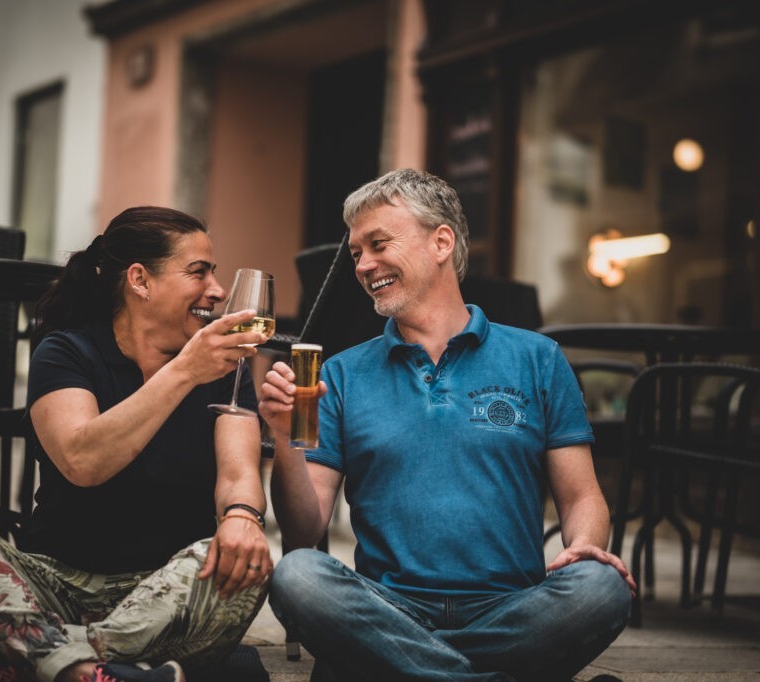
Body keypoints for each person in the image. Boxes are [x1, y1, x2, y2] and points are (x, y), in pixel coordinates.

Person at [259, 169, 636, 681]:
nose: (365, 265)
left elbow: (582, 497)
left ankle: (403, 669)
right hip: (388, 608)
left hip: (510, 609)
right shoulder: (341, 375)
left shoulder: (538, 359)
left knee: (602, 586)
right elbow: (305, 532)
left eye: (378, 244)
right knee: (298, 575)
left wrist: (584, 546)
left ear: (441, 242)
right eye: (356, 254)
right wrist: (283, 439)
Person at [0, 206, 274, 682]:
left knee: (247, 559)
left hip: (167, 590)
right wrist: (185, 371)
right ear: (140, 280)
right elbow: (82, 461)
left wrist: (242, 518)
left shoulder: (225, 370)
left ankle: (50, 661)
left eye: (214, 274)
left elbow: (239, 476)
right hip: (59, 582)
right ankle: (113, 671)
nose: (217, 290)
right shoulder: (67, 351)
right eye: (198, 272)